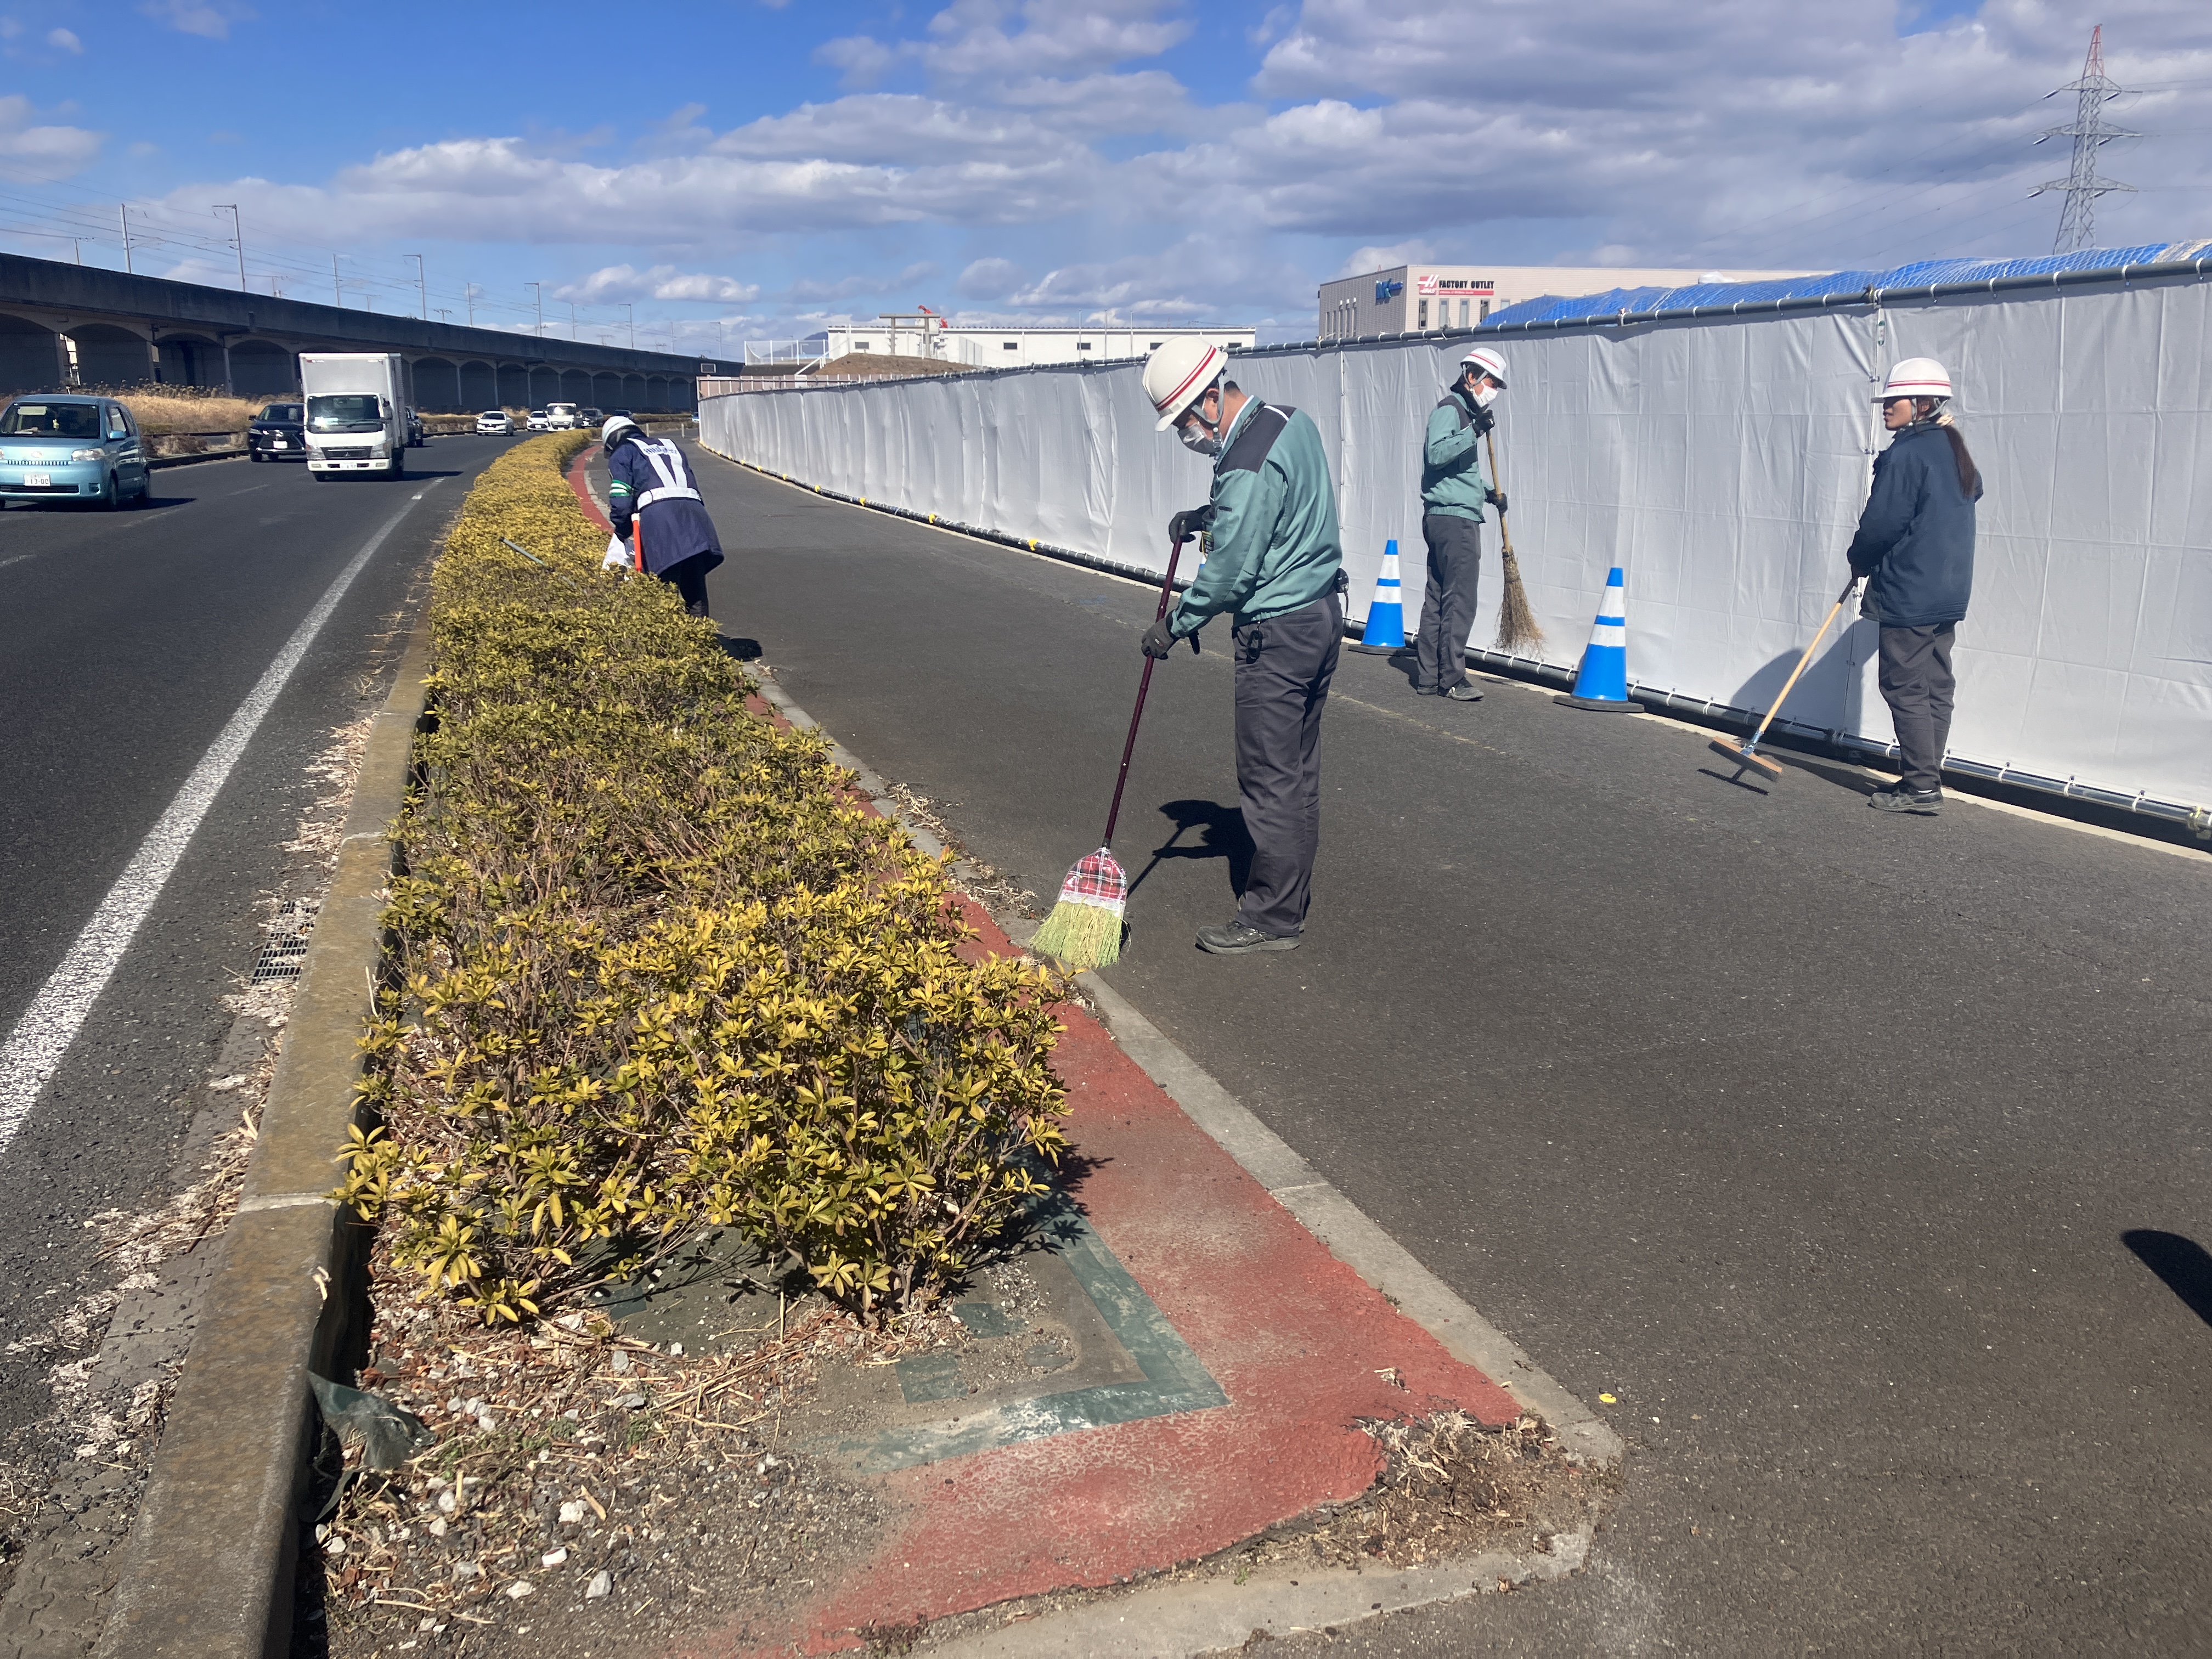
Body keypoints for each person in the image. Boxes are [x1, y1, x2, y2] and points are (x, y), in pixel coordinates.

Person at [1139, 339, 1346, 955]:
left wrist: (1173, 625)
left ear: (1209, 397)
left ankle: (1272, 917)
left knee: (1268, 781)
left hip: (1275, 636)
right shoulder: (1289, 422)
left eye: (1183, 421)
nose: (1186, 434)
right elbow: (1269, 509)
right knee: (1298, 773)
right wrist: (1207, 514)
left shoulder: (1242, 467)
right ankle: (1290, 897)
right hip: (1320, 617)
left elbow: (1230, 573)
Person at [1844, 357, 1982, 815]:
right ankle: (1926, 778)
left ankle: (1921, 785)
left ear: (1922, 404)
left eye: (1893, 401)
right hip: (1949, 590)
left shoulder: (1906, 454)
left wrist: (1859, 560)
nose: (1885, 408)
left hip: (1911, 589)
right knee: (1934, 684)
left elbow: (1882, 524)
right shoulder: (1953, 446)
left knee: (1904, 685)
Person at [1414, 346, 1511, 701]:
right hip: (1455, 521)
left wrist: (1489, 492)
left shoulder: (1464, 413)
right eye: (1491, 382)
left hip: (1447, 514)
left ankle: (1428, 677)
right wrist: (1473, 432)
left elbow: (1460, 473)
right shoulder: (1451, 411)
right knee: (1460, 599)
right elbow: (1437, 455)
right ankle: (1452, 678)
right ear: (1471, 376)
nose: (1493, 390)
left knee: (1438, 597)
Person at [601, 415, 723, 618]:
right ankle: (701, 640)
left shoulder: (623, 453)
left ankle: (668, 644)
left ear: (611, 441)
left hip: (660, 520)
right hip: (697, 518)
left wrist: (622, 532)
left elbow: (621, 501)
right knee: (695, 587)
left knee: (664, 588)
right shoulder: (671, 446)